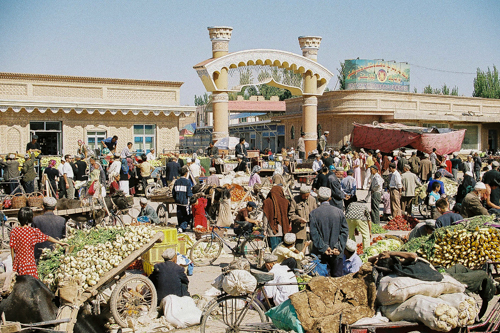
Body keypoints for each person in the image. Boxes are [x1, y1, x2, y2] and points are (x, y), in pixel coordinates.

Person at [10, 207, 68, 279]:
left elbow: (12, 248)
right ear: (30, 218)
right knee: (31, 284)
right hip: (29, 264)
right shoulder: (32, 231)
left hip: (18, 263)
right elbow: (47, 237)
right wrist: (59, 242)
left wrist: (13, 262)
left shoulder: (14, 232)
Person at [309, 187, 349, 277]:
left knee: (321, 282)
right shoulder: (339, 212)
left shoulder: (314, 213)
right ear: (330, 198)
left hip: (321, 254)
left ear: (318, 198)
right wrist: (338, 247)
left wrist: (324, 248)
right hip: (336, 253)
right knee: (337, 280)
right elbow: (345, 231)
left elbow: (314, 234)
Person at [288, 185, 317, 251]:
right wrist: (299, 219)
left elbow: (316, 213)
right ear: (301, 194)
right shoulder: (294, 200)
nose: (306, 197)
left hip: (311, 228)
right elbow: (291, 214)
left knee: (313, 249)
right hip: (299, 229)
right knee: (299, 249)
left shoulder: (312, 200)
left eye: (308, 196)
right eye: (305, 196)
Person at [263, 186, 291, 251]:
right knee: (282, 249)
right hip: (283, 229)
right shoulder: (285, 202)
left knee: (274, 250)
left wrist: (264, 229)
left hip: (272, 229)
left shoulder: (267, 202)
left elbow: (265, 217)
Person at [173, 166, 193, 232]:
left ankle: (180, 226)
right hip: (185, 202)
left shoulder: (176, 182)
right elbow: (189, 193)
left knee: (180, 215)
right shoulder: (187, 182)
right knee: (187, 216)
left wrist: (176, 198)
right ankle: (182, 227)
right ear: (185, 173)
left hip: (178, 202)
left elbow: (173, 192)